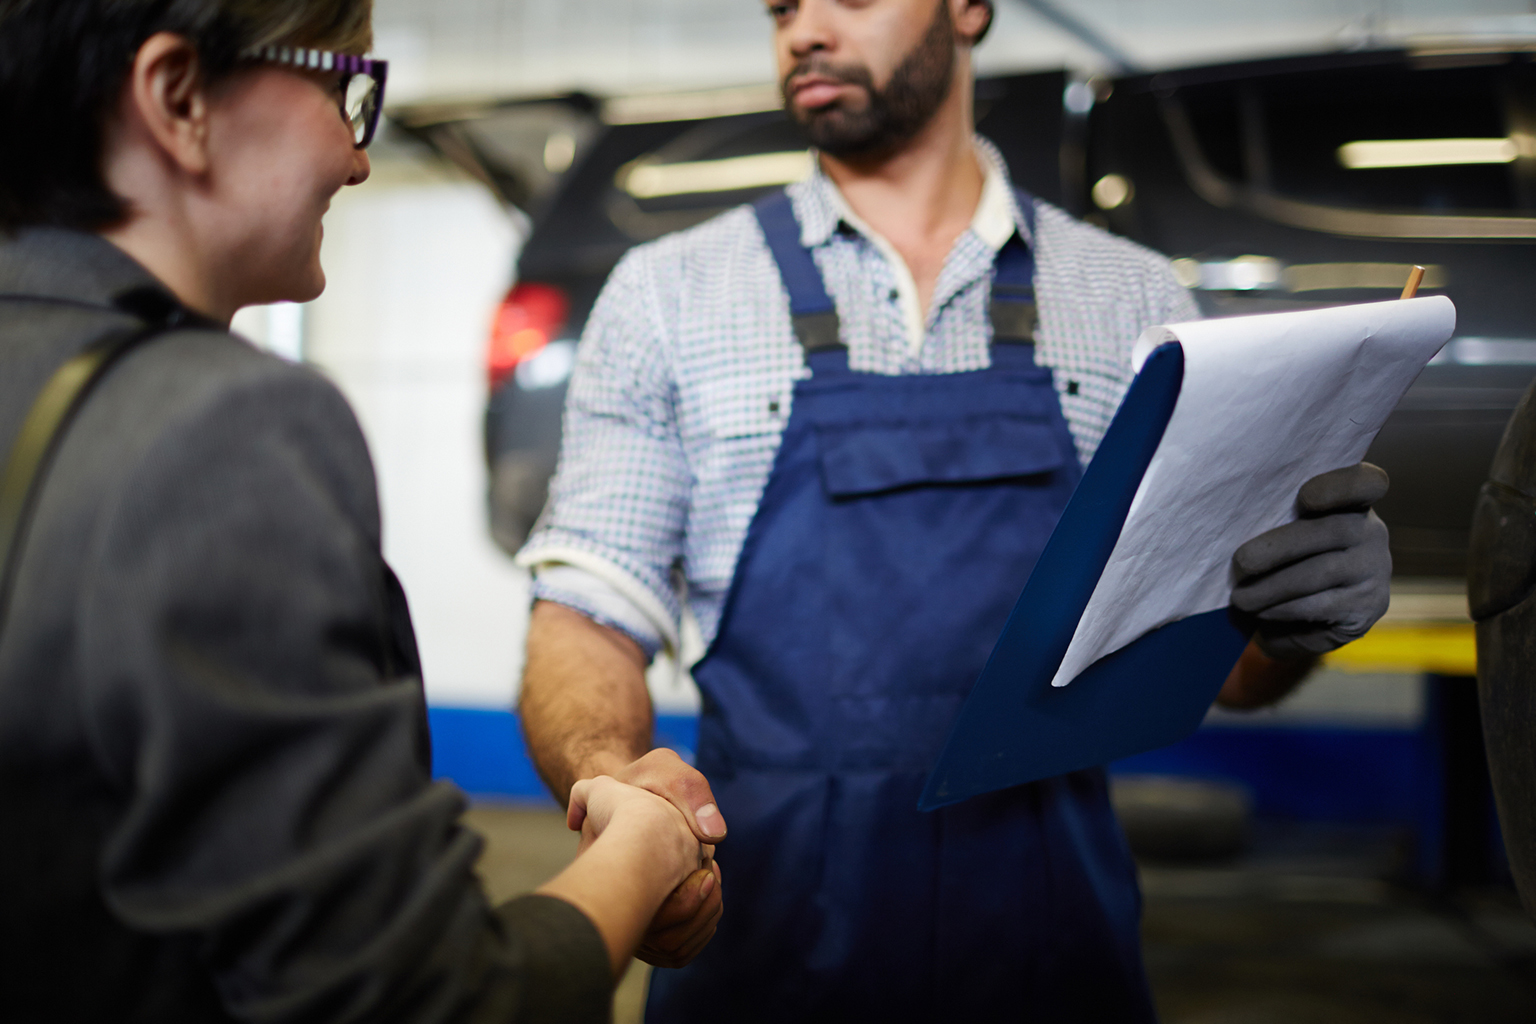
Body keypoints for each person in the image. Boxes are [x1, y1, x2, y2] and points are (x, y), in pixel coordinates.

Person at [516, 0, 1394, 1020]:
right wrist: (611, 781)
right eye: (781, 7)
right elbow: (586, 615)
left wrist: (1293, 618)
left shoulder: (1130, 304)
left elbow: (1227, 673)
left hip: (1052, 953)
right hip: (758, 946)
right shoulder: (669, 298)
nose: (803, 29)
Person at [0, 1, 719, 1020]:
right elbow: (423, 1000)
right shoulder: (222, 424)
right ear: (178, 97)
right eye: (347, 89)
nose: (357, 155)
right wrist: (642, 857)